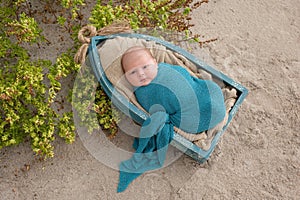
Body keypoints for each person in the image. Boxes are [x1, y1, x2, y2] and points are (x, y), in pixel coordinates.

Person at [117, 46, 226, 192]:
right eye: (133, 72)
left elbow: (184, 74)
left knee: (209, 88)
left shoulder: (165, 68)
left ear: (155, 63)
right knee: (188, 112)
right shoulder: (142, 93)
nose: (141, 74)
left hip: (201, 94)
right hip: (189, 116)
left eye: (145, 67)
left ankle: (209, 102)